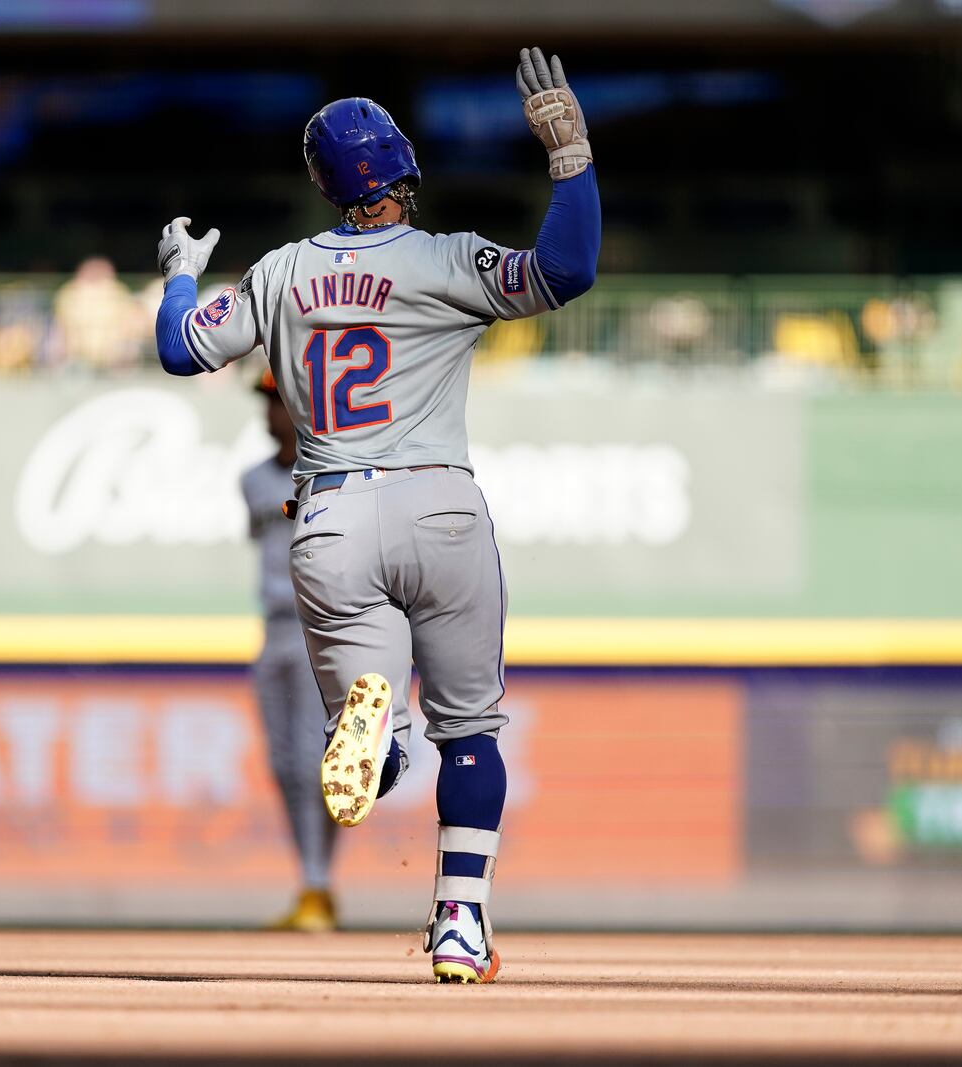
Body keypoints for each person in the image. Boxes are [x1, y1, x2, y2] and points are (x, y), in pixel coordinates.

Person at [152, 48, 600, 983]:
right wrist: (571, 162)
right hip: (439, 504)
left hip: (329, 520)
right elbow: (568, 267)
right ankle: (459, 925)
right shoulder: (444, 258)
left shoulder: (279, 273)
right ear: (402, 171)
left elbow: (181, 352)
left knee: (370, 747)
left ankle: (376, 735)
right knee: (472, 730)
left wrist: (182, 275)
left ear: (326, 187)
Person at [242, 368, 340, 931]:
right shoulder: (253, 479)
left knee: (312, 761)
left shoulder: (325, 470)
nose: (270, 412)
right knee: (283, 763)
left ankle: (316, 884)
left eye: (278, 401)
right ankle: (311, 881)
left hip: (318, 624)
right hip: (274, 624)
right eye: (266, 401)